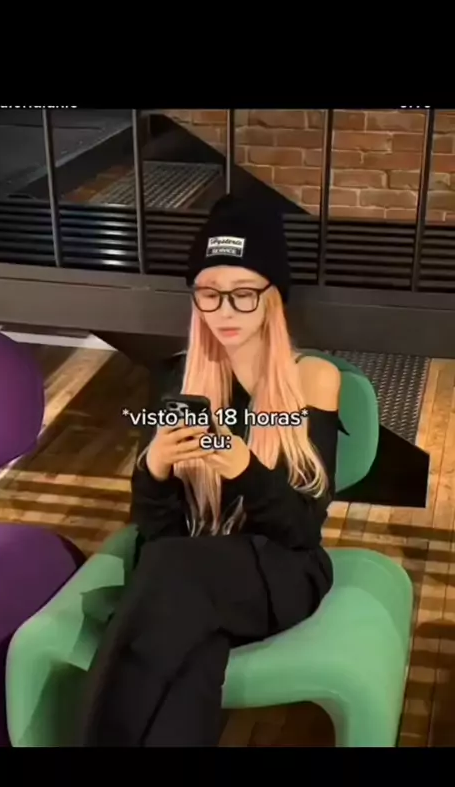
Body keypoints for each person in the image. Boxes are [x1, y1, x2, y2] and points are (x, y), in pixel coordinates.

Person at [78, 193, 344, 747]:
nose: (225, 312)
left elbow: (302, 529)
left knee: (171, 576)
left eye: (243, 294)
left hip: (280, 572)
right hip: (190, 575)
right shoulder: (176, 383)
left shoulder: (313, 380)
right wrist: (154, 470)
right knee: (189, 654)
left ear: (273, 299)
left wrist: (245, 469)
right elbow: (160, 532)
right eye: (209, 293)